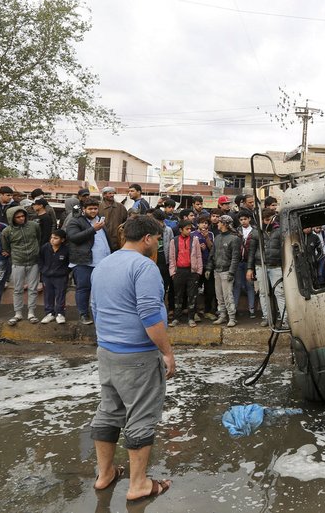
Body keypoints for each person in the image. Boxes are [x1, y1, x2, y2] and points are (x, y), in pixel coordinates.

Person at [88, 214, 174, 502]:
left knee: (109, 411)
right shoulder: (144, 267)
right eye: (157, 240)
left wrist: (108, 341)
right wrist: (167, 352)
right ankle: (138, 484)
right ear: (148, 239)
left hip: (107, 351)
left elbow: (95, 309)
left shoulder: (104, 264)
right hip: (137, 355)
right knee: (140, 417)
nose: (158, 246)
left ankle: (105, 474)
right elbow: (150, 315)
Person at [66, 198, 111, 326]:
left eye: (95, 208)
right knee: (83, 288)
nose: (93, 211)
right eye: (90, 209)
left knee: (102, 289)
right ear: (83, 209)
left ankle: (101, 314)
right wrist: (93, 229)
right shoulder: (75, 221)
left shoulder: (100, 221)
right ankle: (83, 314)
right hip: (84, 261)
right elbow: (73, 238)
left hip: (102, 262)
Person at [2, 206, 42, 325]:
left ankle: (31, 313)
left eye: (23, 216)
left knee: (33, 289)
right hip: (17, 262)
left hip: (34, 262)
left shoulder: (34, 226)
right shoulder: (7, 231)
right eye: (18, 217)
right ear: (12, 218)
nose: (21, 218)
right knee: (17, 289)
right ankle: (18, 313)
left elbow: (38, 239)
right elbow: (6, 248)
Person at [251, 208, 284, 327]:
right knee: (263, 293)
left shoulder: (280, 230)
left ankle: (285, 319)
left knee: (280, 293)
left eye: (269, 219)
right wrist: (250, 268)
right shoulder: (257, 231)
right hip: (260, 265)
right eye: (265, 220)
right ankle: (266, 317)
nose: (267, 222)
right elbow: (251, 251)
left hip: (276, 265)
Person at [167, 221, 202, 328]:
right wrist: (173, 272)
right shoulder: (174, 241)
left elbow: (198, 256)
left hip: (192, 271)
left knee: (192, 295)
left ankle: (191, 318)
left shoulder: (194, 240)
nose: (189, 231)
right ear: (181, 230)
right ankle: (176, 318)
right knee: (178, 296)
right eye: (187, 229)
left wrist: (199, 271)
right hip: (179, 271)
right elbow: (172, 257)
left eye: (190, 229)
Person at [210, 215, 240, 327]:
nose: (217, 224)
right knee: (219, 296)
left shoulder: (234, 239)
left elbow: (235, 258)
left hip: (226, 271)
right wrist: (209, 267)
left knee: (228, 295)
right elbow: (212, 254)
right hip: (217, 270)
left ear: (224, 224)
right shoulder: (217, 238)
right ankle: (222, 315)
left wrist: (231, 272)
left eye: (219, 222)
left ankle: (232, 317)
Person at [39, 229, 71, 324]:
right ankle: (49, 314)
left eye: (56, 238)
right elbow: (40, 259)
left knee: (60, 295)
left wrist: (64, 272)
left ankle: (60, 314)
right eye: (52, 237)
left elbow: (69, 263)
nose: (52, 240)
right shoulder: (45, 247)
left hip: (60, 277)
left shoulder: (66, 250)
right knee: (48, 295)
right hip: (47, 276)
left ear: (62, 240)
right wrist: (43, 270)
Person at [234, 210, 259, 317]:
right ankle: (233, 309)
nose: (243, 221)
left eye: (245, 219)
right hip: (239, 262)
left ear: (249, 219)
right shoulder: (236, 231)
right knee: (237, 285)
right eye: (241, 219)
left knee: (250, 285)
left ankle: (252, 309)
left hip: (250, 262)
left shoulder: (255, 231)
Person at [192, 215, 216, 320]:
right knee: (194, 290)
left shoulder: (210, 234)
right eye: (202, 223)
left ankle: (208, 311)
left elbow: (212, 249)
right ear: (198, 224)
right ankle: (195, 312)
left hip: (208, 265)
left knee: (209, 289)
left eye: (206, 223)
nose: (204, 225)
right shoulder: (193, 234)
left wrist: (207, 239)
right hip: (196, 266)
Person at [100, 186, 129, 252]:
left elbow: (126, 221)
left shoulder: (120, 207)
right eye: (109, 193)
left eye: (113, 193)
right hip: (103, 240)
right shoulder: (99, 207)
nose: (112, 195)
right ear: (104, 195)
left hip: (118, 240)